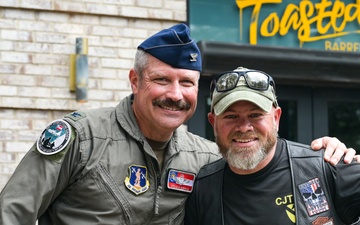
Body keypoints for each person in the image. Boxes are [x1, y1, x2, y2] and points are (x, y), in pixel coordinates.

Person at [0, 25, 355, 225]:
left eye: (186, 82)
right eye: (162, 79)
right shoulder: (82, 138)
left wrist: (327, 155)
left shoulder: (204, 159)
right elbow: (11, 213)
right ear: (135, 81)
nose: (175, 94)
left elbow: (263, 161)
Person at [184, 66, 360, 225]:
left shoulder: (325, 168)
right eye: (231, 116)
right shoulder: (202, 189)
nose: (244, 127)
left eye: (255, 115)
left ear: (276, 118)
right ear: (213, 122)